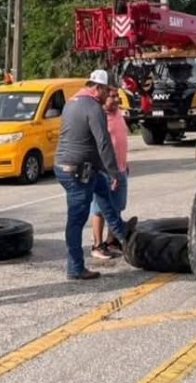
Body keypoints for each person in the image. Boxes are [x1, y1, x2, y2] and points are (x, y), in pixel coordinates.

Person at [54, 69, 136, 280]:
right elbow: (103, 143)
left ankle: (121, 231)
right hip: (77, 172)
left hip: (68, 167)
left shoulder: (71, 103)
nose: (109, 94)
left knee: (102, 188)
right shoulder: (93, 107)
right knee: (76, 220)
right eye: (108, 90)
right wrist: (115, 172)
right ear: (98, 88)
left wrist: (104, 171)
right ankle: (75, 268)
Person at [90, 86, 129, 259]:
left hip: (120, 168)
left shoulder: (119, 113)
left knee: (117, 206)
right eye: (112, 97)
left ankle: (111, 241)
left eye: (117, 96)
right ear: (104, 99)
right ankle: (97, 245)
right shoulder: (99, 117)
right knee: (99, 209)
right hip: (104, 170)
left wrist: (124, 164)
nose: (116, 100)